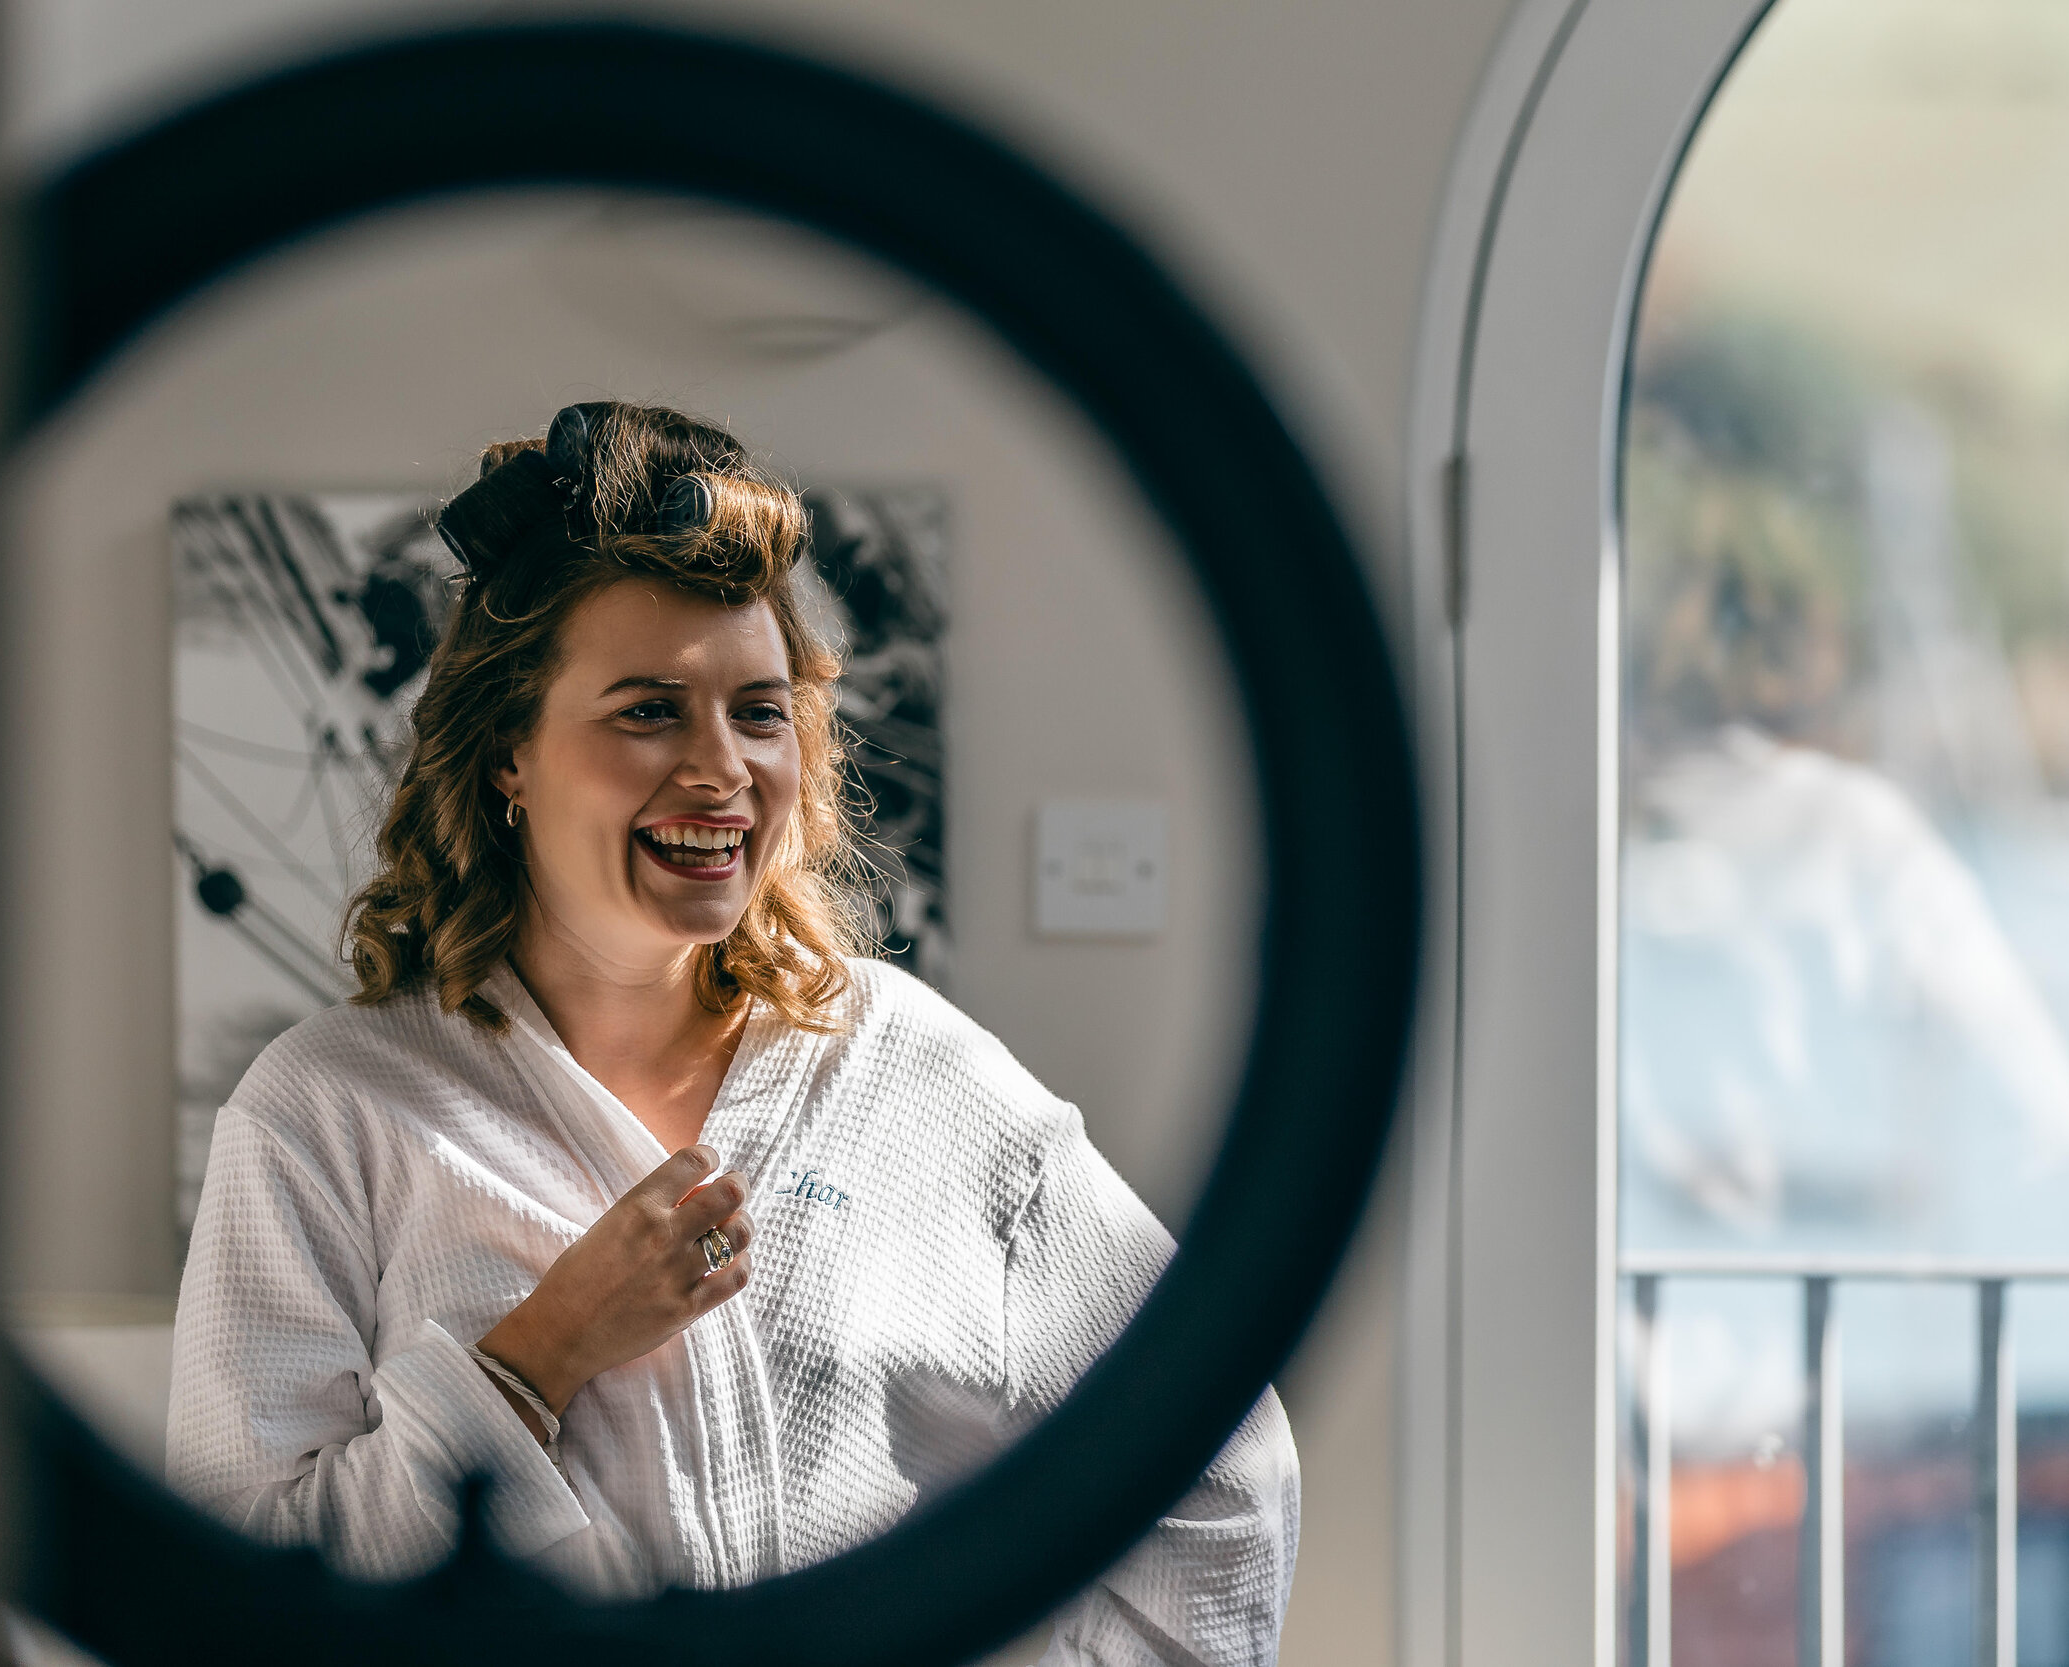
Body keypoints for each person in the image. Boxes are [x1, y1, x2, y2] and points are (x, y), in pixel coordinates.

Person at [165, 402, 1300, 1664]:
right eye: (648, 709)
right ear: (508, 758)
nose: (723, 769)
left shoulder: (915, 1073)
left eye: (759, 712)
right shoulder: (326, 1109)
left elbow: (1220, 1457)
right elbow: (236, 1593)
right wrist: (537, 1358)